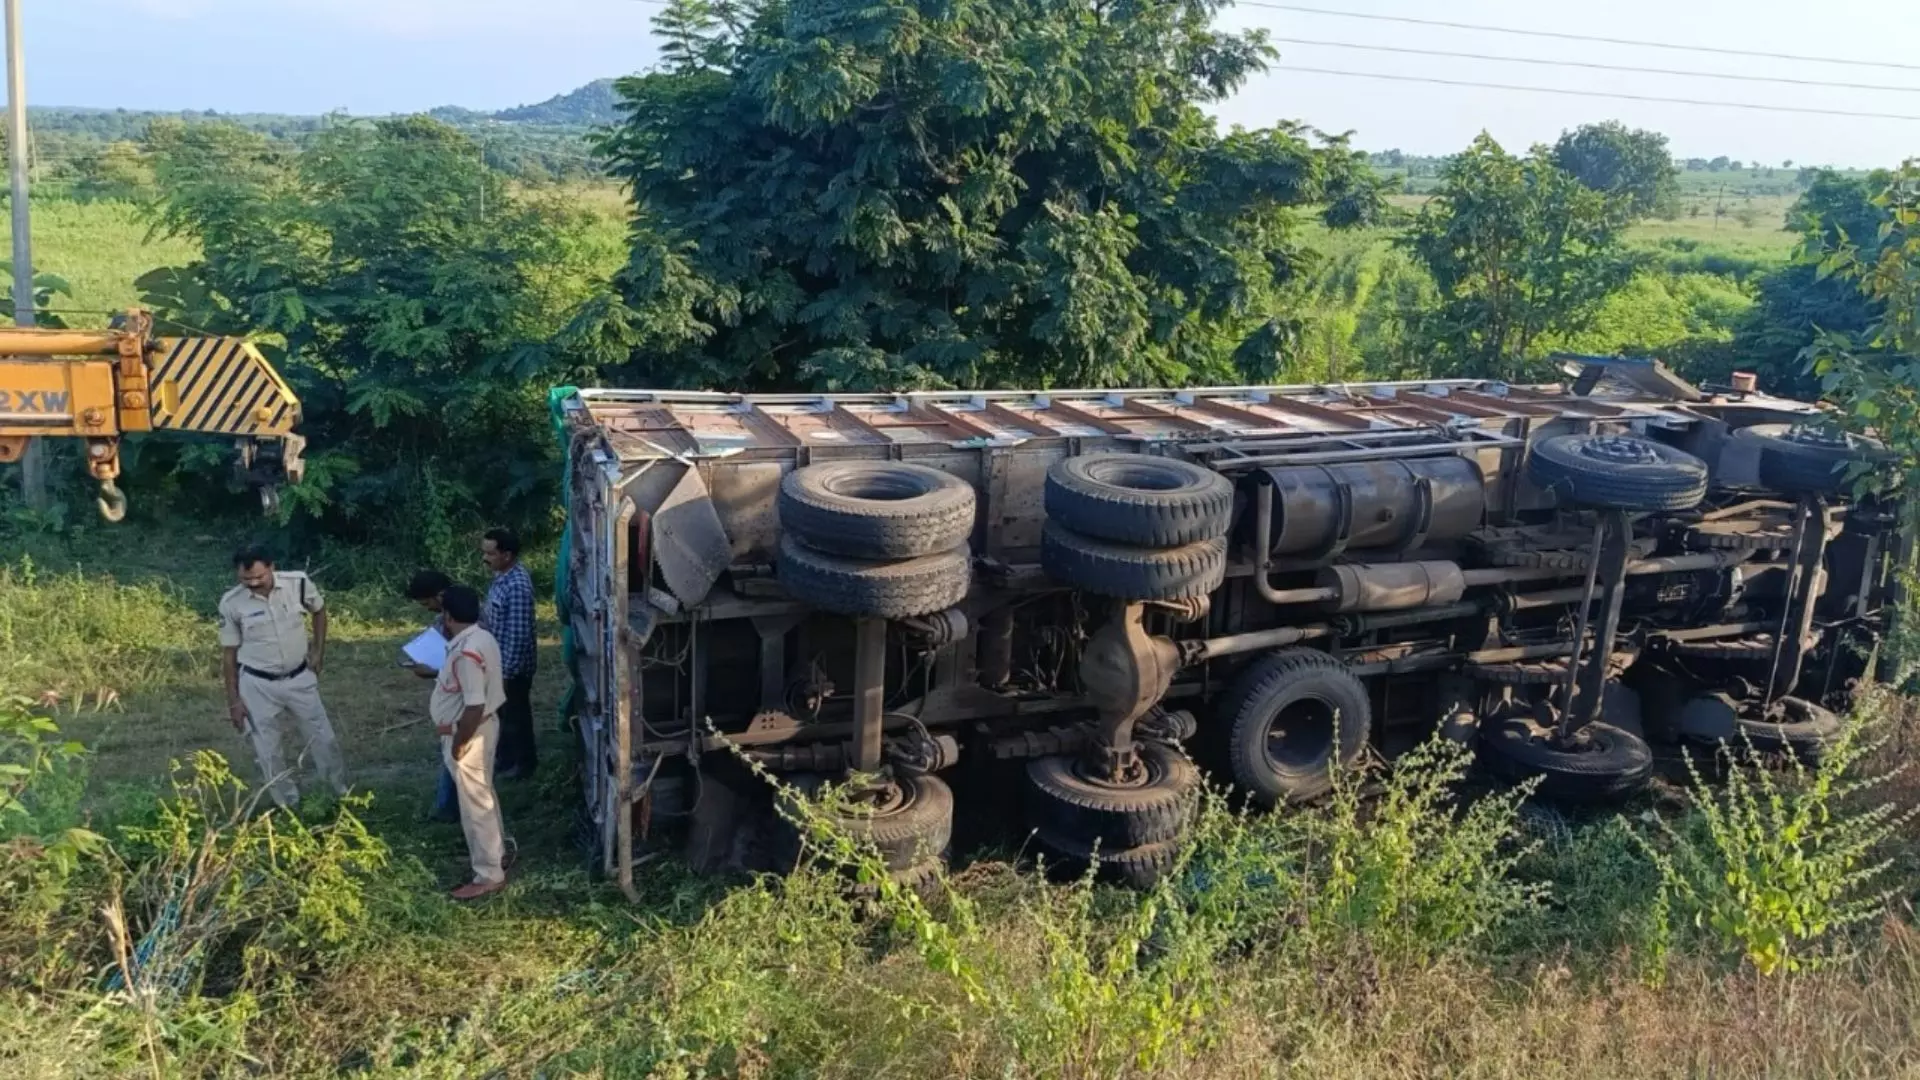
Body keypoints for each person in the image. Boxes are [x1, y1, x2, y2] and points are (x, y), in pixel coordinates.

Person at [218, 546, 347, 810]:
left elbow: (319, 611)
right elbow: (229, 656)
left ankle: (337, 795)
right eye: (245, 580)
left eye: (258, 577)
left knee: (324, 739)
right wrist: (234, 702)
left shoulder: (297, 584)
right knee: (268, 750)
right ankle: (287, 804)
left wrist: (318, 651)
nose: (252, 584)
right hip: (257, 684)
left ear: (271, 567)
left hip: (300, 677)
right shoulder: (231, 603)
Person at [432, 585, 509, 900]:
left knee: (474, 804)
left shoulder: (466, 651)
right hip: (482, 726)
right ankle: (496, 853)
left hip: (469, 731)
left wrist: (460, 743)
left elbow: (473, 705)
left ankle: (489, 872)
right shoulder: (482, 638)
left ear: (447, 616)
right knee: (483, 795)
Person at [401, 569, 459, 823]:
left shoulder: (466, 621)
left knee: (455, 750)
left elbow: (464, 663)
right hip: (450, 692)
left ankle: (446, 808)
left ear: (440, 596)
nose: (426, 608)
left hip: (462, 696)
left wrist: (434, 670)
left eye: (427, 603)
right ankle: (447, 805)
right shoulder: (443, 618)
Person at [482, 528, 537, 780]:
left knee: (516, 717)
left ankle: (523, 765)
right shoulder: (501, 577)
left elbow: (517, 635)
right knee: (502, 716)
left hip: (511, 667)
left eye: (490, 553)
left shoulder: (516, 585)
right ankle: (506, 760)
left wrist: (506, 673)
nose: (486, 558)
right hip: (497, 662)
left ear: (507, 555)